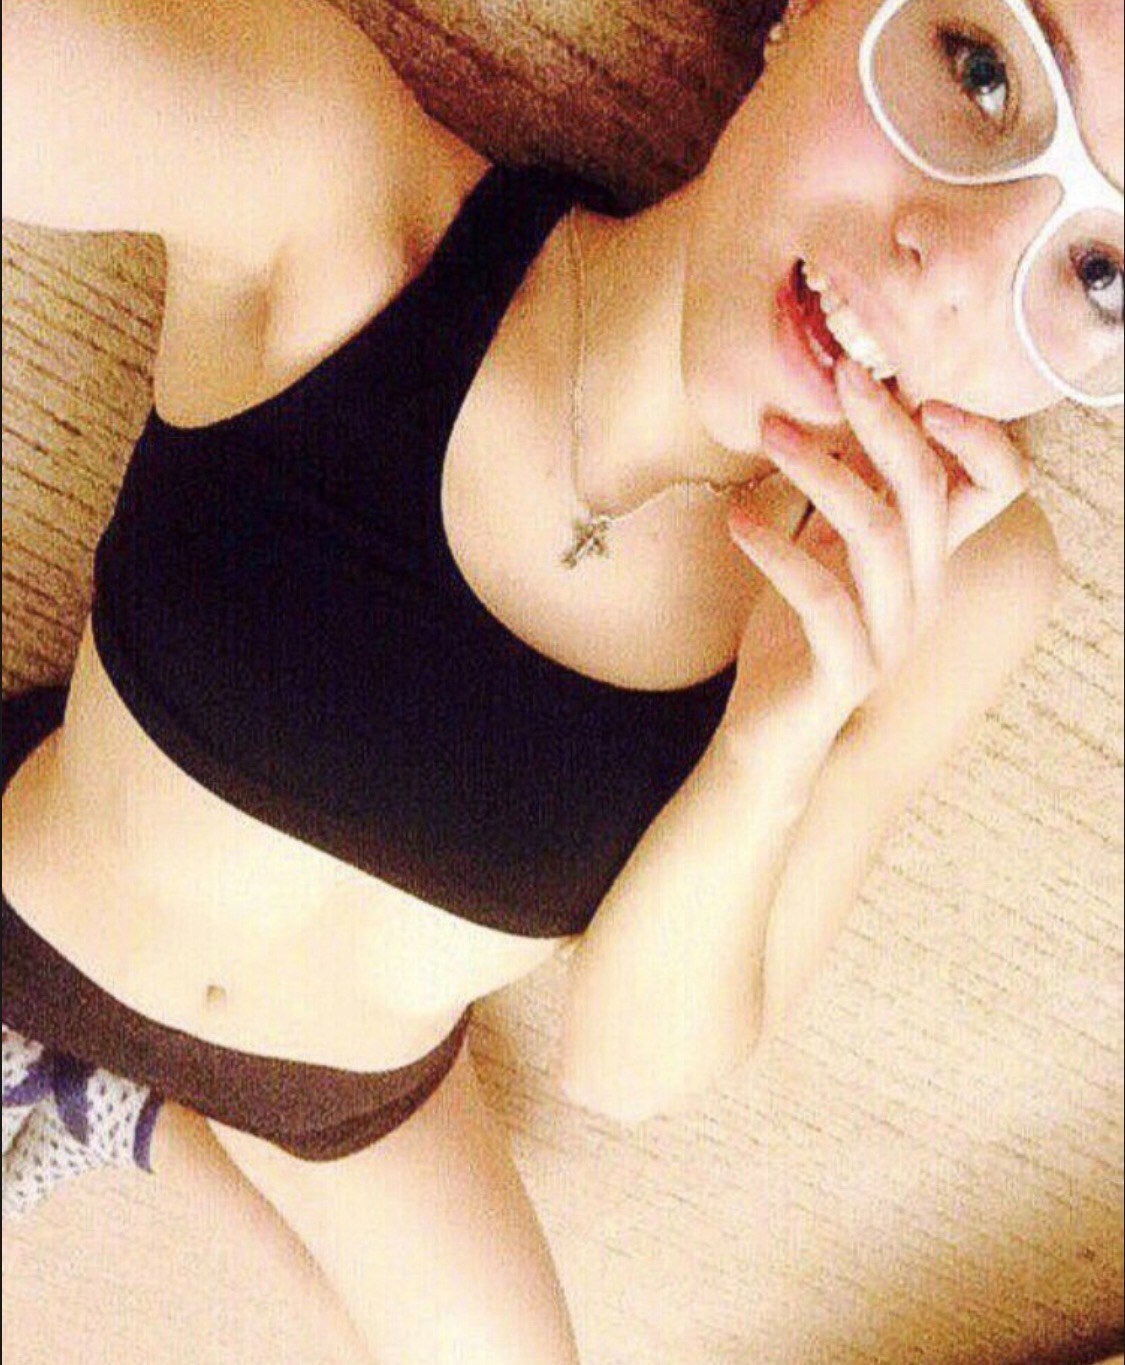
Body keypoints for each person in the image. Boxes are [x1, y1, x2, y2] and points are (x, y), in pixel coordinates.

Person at [1, 0, 1121, 1361]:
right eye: (983, 70)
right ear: (806, 17)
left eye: (1103, 274)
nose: (955, 271)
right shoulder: (337, 196)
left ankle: (134, 1122)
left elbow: (627, 1068)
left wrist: (770, 742)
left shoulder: (962, 577)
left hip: (343, 1096)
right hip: (31, 925)